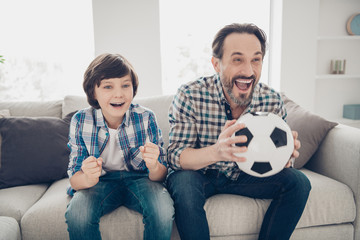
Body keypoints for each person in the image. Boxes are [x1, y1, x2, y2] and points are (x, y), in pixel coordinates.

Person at [166, 23, 311, 240]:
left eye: (256, 59)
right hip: (202, 174)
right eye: (237, 59)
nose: (248, 71)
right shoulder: (190, 95)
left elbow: (278, 162)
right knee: (183, 182)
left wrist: (285, 157)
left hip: (246, 176)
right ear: (216, 64)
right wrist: (217, 152)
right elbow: (175, 156)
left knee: (298, 182)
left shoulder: (271, 100)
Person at [65, 53, 174, 240]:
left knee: (162, 212)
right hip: (100, 182)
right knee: (78, 215)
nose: (119, 94)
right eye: (108, 86)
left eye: (125, 85)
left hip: (141, 179)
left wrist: (154, 165)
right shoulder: (81, 120)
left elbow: (160, 175)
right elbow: (75, 180)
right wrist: (88, 177)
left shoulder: (146, 117)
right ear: (93, 92)